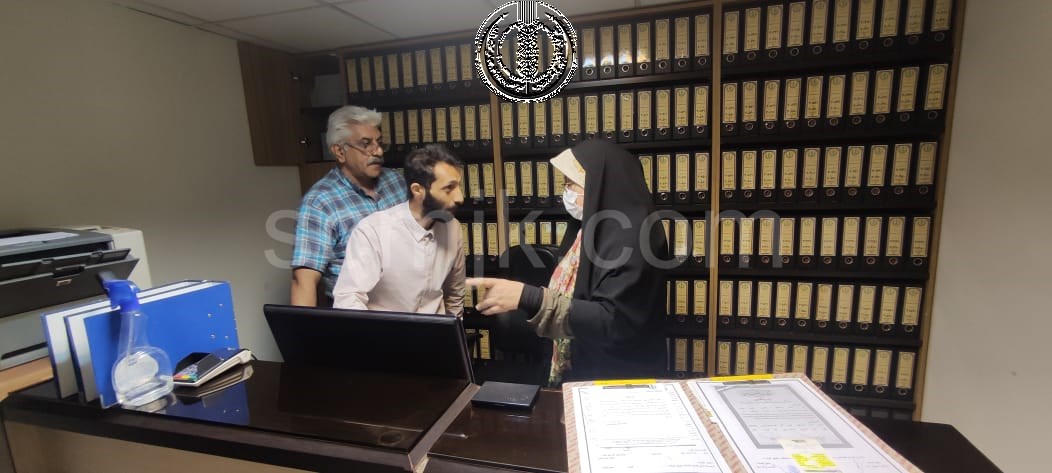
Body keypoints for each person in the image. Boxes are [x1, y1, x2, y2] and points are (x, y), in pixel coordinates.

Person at [468, 140, 669, 384]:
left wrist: (528, 297)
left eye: (572, 184)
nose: (567, 193)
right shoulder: (591, 230)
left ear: (599, 185)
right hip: (586, 368)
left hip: (622, 381)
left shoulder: (636, 238)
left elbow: (612, 321)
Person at [290, 105, 406, 307]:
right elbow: (304, 282)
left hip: (408, 306)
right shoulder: (320, 203)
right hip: (358, 312)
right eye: (365, 144)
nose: (378, 151)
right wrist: (302, 328)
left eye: (379, 142)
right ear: (339, 152)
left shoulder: (396, 182)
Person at [332, 144, 466, 315]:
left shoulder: (452, 228)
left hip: (435, 330)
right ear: (418, 190)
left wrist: (453, 328)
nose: (460, 198)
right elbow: (348, 299)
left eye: (458, 187)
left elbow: (455, 294)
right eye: (449, 188)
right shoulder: (373, 231)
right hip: (386, 330)